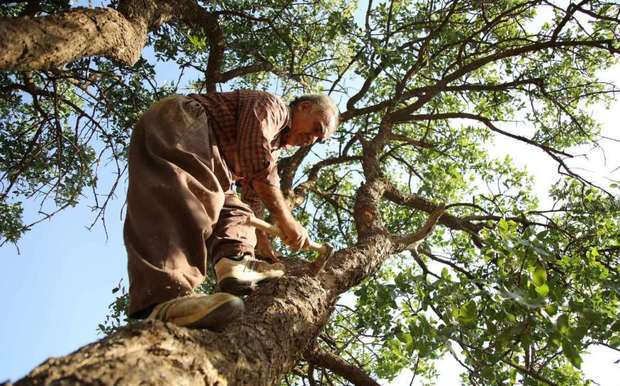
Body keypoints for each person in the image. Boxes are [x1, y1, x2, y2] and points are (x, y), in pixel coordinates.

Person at [123, 90, 339, 330]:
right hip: (186, 122)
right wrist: (286, 220)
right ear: (304, 107)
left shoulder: (274, 149)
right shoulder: (272, 107)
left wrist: (261, 243)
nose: (313, 139)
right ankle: (164, 298)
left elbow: (254, 198)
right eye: (317, 128)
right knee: (183, 200)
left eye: (320, 139)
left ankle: (235, 263)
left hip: (216, 162)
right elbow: (255, 157)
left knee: (236, 209)